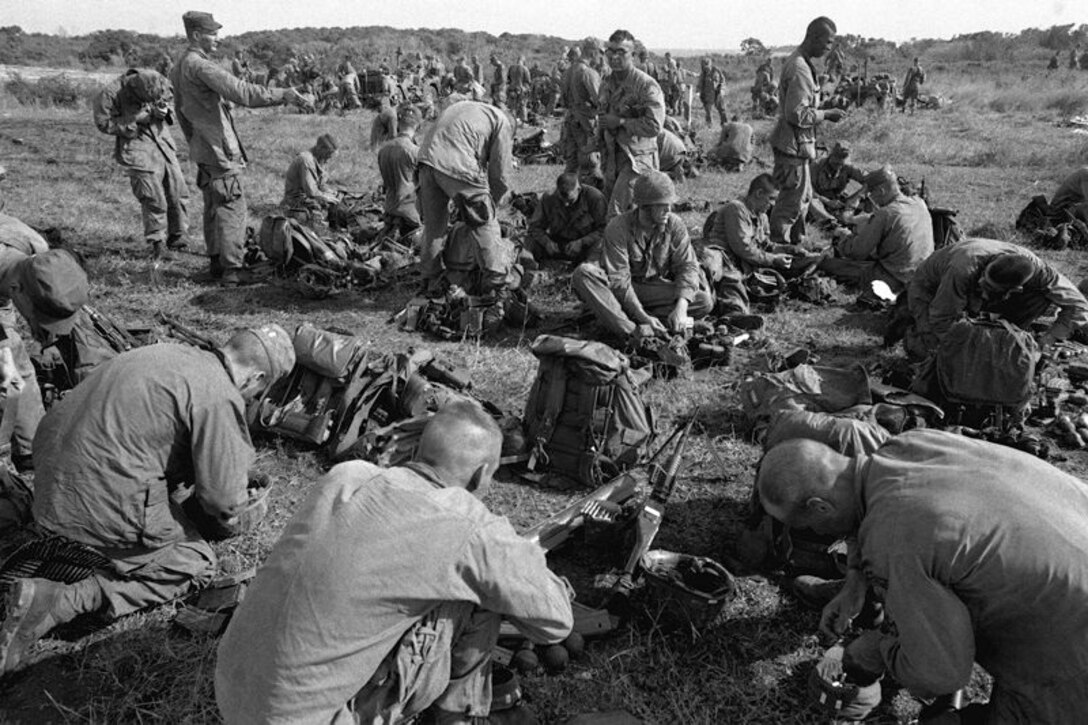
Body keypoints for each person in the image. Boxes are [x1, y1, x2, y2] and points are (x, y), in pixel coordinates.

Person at [215, 401, 573, 723]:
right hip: (309, 719)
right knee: (480, 591)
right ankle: (456, 716)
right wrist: (520, 557)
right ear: (481, 475)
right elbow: (555, 623)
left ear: (418, 450)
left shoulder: (347, 475)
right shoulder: (470, 526)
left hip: (232, 690)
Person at [0, 324, 296, 674]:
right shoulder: (221, 394)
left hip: (49, 469)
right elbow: (223, 502)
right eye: (257, 392)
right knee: (195, 561)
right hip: (89, 492)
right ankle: (58, 603)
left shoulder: (168, 351)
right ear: (256, 379)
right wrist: (238, 503)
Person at [757, 431, 1088, 723]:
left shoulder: (897, 540)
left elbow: (942, 673)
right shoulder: (908, 445)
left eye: (810, 525)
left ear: (820, 508)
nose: (816, 532)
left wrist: (874, 651)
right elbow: (889, 509)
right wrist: (857, 580)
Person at [171, 11, 308, 286]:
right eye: (213, 34)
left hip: (203, 148)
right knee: (232, 206)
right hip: (218, 151)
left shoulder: (179, 67)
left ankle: (216, 262)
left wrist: (195, 142)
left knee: (214, 206)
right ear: (197, 35)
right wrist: (285, 94)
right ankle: (233, 269)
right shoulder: (200, 66)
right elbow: (243, 92)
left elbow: (180, 112)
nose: (218, 39)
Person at [572, 170, 712, 339]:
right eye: (662, 205)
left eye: (670, 203)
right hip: (620, 291)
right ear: (645, 206)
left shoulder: (674, 224)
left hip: (650, 290)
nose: (669, 209)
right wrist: (643, 317)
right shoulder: (618, 227)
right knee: (583, 274)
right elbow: (619, 282)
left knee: (703, 301)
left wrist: (681, 308)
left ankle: (614, 318)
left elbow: (687, 266)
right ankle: (633, 332)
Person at [904, 238, 1088, 360]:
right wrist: (967, 352)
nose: (984, 291)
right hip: (931, 289)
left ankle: (1004, 338)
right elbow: (941, 319)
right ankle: (911, 328)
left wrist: (1049, 338)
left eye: (990, 288)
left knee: (1040, 296)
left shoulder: (1039, 271)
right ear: (986, 268)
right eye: (983, 283)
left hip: (980, 295)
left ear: (1014, 290)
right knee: (931, 353)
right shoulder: (962, 269)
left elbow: (1079, 305)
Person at [0, 242, 87, 471]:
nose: (41, 329)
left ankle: (31, 447)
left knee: (13, 358)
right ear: (17, 289)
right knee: (6, 363)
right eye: (40, 317)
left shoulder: (32, 252)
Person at [93, 68, 190, 261]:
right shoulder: (109, 94)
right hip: (137, 147)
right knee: (152, 196)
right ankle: (157, 242)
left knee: (178, 192)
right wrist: (135, 119)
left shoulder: (157, 80)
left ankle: (178, 237)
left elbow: (169, 98)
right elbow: (103, 123)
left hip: (163, 143)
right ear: (133, 90)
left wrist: (164, 111)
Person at [416, 101, 513, 290]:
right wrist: (493, 202)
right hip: (456, 162)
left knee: (434, 227)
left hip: (426, 161)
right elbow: (500, 174)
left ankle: (431, 280)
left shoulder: (468, 107)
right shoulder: (503, 122)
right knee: (484, 221)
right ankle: (497, 281)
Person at [768, 17, 846, 245]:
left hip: (796, 146)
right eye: (827, 42)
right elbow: (797, 113)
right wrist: (827, 114)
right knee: (790, 204)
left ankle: (796, 243)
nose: (829, 48)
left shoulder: (801, 62)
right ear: (814, 37)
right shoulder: (800, 68)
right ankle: (779, 249)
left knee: (802, 199)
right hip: (792, 146)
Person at [818, 166, 934, 300]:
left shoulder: (885, 214)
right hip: (922, 276)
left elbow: (857, 252)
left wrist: (844, 235)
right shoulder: (919, 203)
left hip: (894, 277)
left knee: (827, 264)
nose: (871, 198)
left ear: (881, 190)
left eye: (871, 193)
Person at [596, 29, 666, 218]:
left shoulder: (645, 85)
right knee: (622, 215)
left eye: (621, 52)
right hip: (612, 158)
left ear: (633, 55)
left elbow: (654, 126)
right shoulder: (606, 83)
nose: (614, 57)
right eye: (610, 52)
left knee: (616, 214)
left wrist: (621, 121)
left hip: (636, 160)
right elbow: (602, 118)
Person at [706, 173, 815, 277]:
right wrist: (773, 259)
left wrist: (789, 250)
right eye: (771, 198)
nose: (773, 204)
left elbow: (765, 245)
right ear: (759, 193)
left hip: (743, 264)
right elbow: (743, 249)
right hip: (724, 263)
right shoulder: (736, 209)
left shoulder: (762, 217)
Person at [525, 172, 608, 263]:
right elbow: (534, 227)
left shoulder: (595, 198)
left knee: (601, 244)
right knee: (528, 240)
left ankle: (589, 269)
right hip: (557, 246)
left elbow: (604, 230)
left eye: (570, 200)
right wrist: (546, 242)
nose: (566, 204)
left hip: (584, 248)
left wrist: (582, 242)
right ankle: (526, 265)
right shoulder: (548, 198)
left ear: (579, 190)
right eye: (561, 199)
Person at [377, 104, 422, 242]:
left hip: (389, 209)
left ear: (398, 125)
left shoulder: (383, 149)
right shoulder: (415, 152)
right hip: (410, 213)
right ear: (418, 126)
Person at [281, 134, 339, 225]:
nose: (329, 158)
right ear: (320, 148)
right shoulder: (306, 160)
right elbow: (311, 191)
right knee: (316, 219)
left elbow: (321, 184)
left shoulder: (320, 158)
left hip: (311, 197)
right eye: (328, 154)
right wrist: (325, 197)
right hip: (296, 200)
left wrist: (331, 192)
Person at [560, 44, 601, 174]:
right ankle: (589, 191)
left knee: (571, 163)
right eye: (599, 55)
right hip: (586, 122)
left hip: (570, 119)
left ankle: (567, 191)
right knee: (590, 162)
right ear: (593, 54)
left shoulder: (567, 72)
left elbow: (563, 101)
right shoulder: (588, 73)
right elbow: (599, 100)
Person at [808, 141, 866, 222]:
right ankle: (832, 223)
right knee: (809, 201)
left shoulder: (848, 167)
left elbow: (869, 181)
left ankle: (848, 220)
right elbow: (808, 189)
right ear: (831, 155)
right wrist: (827, 201)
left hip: (838, 201)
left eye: (841, 163)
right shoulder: (816, 165)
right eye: (836, 162)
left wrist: (855, 198)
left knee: (865, 202)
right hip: (818, 199)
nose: (839, 166)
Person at [697, 57, 727, 127]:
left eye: (706, 65)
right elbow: (700, 84)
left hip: (717, 93)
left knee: (721, 109)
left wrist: (722, 90)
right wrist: (698, 91)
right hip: (707, 94)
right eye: (703, 66)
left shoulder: (716, 71)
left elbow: (722, 81)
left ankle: (724, 123)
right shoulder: (703, 74)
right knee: (708, 110)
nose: (705, 68)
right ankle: (709, 125)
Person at [507, 55, 531, 122]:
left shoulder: (511, 67)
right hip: (521, 89)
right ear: (523, 61)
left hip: (511, 89)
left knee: (512, 106)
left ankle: (512, 121)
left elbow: (508, 79)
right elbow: (528, 80)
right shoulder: (525, 68)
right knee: (522, 106)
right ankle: (523, 122)